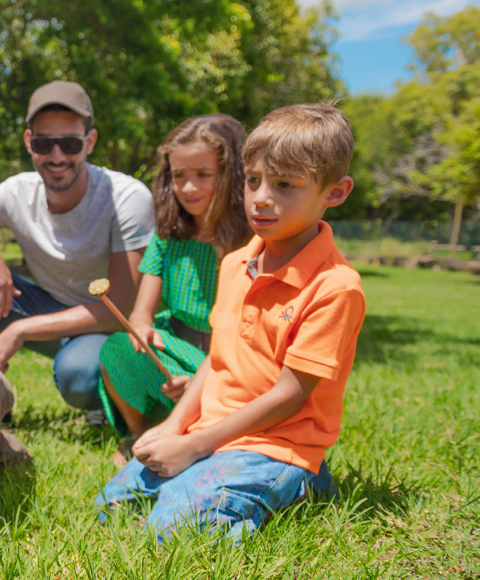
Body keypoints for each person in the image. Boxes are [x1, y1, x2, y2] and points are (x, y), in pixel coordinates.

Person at [95, 103, 365, 540]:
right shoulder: (237, 262)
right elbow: (216, 359)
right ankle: (217, 477)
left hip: (277, 445)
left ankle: (302, 484)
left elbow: (290, 396)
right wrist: (173, 426)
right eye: (253, 180)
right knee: (110, 506)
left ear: (334, 192)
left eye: (284, 185)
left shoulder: (336, 287)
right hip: (210, 429)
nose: (261, 197)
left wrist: (193, 447)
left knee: (168, 530)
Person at [0, 81, 154, 420]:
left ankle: (106, 398)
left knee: (78, 375)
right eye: (45, 143)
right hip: (43, 305)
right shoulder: (16, 192)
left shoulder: (126, 197)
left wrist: (20, 329)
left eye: (70, 143)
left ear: (90, 142)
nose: (57, 157)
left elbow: (120, 308)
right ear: (30, 143)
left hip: (104, 325)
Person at [97, 114, 251, 464]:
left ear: (230, 176)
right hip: (176, 343)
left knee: (208, 391)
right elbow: (141, 312)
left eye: (203, 175)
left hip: (227, 357)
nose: (189, 187)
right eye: (178, 176)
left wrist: (201, 380)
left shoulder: (248, 242)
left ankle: (191, 424)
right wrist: (141, 327)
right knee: (118, 348)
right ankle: (137, 434)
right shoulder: (168, 235)